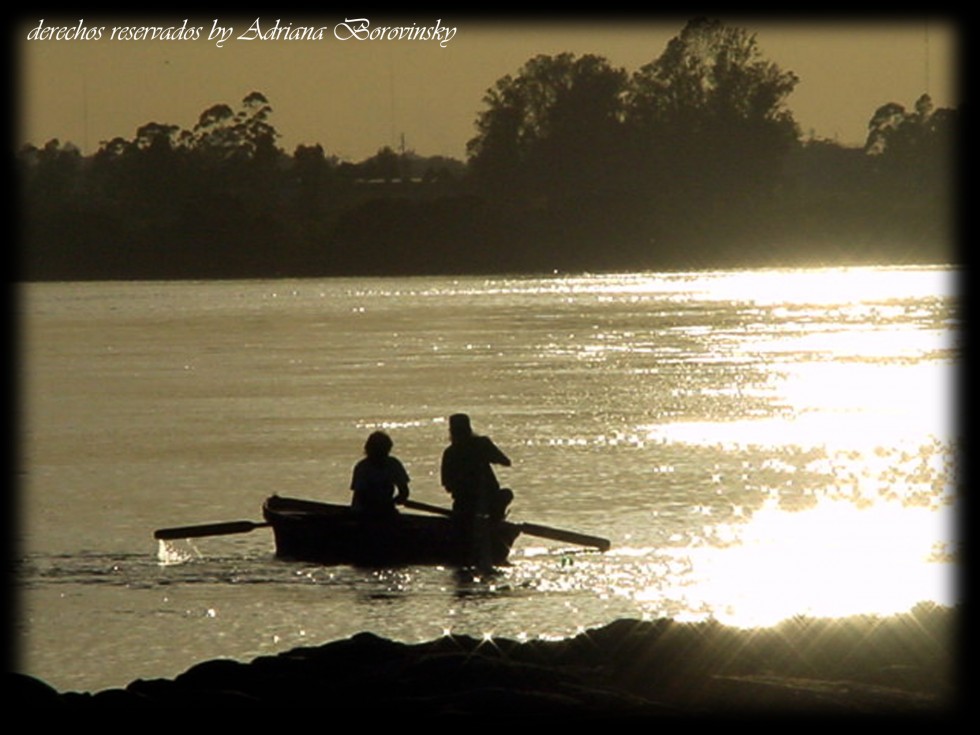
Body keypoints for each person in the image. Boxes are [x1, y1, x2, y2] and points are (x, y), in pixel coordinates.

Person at [440, 413, 513, 522]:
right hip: (487, 499)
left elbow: (447, 485)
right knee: (507, 494)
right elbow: (506, 462)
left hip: (464, 504)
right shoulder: (482, 444)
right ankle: (495, 522)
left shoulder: (450, 452)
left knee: (505, 494)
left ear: (451, 431)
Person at [350, 431, 410, 517]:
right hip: (364, 512)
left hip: (387, 510)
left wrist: (393, 502)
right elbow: (360, 496)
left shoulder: (393, 464)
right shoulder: (362, 467)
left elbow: (404, 492)